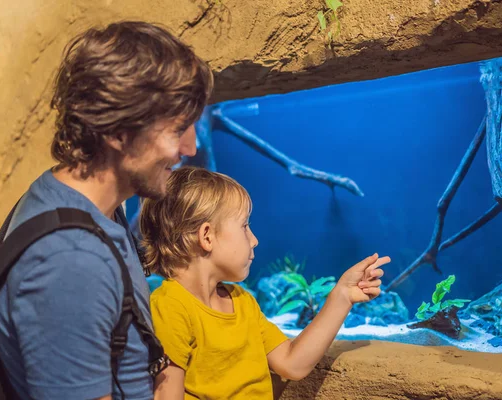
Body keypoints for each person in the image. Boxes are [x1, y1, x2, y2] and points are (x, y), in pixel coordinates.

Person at [0, 21, 213, 399]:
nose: (189, 148)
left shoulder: (88, 206)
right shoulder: (70, 262)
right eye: (177, 129)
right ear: (118, 132)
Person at [139, 166, 391, 399]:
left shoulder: (242, 302)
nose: (254, 240)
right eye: (244, 226)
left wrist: (342, 296)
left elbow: (292, 363)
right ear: (206, 236)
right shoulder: (171, 307)